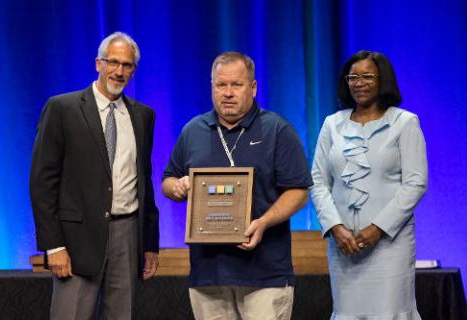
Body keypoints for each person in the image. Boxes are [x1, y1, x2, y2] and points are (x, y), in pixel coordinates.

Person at [162, 51, 312, 319]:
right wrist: (178, 187)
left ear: (252, 88)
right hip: (208, 275)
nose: (228, 92)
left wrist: (263, 221)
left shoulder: (277, 130)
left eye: (236, 84)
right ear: (212, 87)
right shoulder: (193, 130)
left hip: (265, 275)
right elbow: (168, 180)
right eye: (221, 85)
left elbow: (299, 191)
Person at [30, 31, 160, 319]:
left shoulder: (143, 115)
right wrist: (54, 245)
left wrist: (150, 244)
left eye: (127, 65)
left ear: (134, 70)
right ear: (98, 63)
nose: (119, 71)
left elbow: (144, 183)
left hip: (127, 236)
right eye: (112, 62)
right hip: (76, 241)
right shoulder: (62, 108)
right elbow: (42, 182)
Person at [309, 50, 428, 319]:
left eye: (367, 76)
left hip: (389, 245)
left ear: (382, 79)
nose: (358, 83)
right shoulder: (332, 124)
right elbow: (317, 181)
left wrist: (379, 228)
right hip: (344, 246)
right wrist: (335, 227)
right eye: (353, 77)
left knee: (390, 312)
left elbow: (416, 183)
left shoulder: (404, 123)